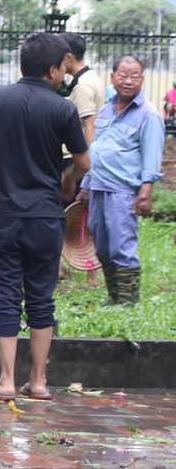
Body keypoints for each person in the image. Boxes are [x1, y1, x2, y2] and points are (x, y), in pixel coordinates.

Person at [0, 33, 88, 403]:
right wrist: (66, 183)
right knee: (42, 299)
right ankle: (40, 381)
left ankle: (6, 381)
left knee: (7, 295)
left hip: (2, 215)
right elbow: (83, 163)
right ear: (51, 69)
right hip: (46, 217)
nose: (65, 72)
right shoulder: (64, 109)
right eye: (63, 66)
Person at [80, 55, 162, 306]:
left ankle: (127, 301)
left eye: (135, 76)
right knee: (103, 247)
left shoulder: (148, 115)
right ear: (113, 78)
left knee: (122, 246)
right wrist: (86, 184)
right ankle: (114, 295)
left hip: (123, 191)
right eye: (123, 76)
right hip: (98, 187)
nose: (128, 81)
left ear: (142, 80)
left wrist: (145, 191)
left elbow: (152, 156)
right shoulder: (106, 109)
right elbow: (97, 150)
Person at [59, 31, 105, 288]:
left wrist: (82, 165)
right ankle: (74, 269)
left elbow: (89, 125)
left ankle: (89, 273)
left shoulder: (83, 86)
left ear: (68, 56)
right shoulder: (90, 79)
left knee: (69, 214)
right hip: (81, 159)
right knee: (83, 215)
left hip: (75, 160)